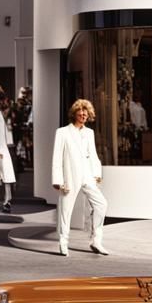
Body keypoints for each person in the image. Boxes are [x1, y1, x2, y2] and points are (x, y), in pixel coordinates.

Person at [52, 98, 108, 257]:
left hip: (87, 175)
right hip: (70, 176)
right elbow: (57, 158)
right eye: (81, 111)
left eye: (86, 111)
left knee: (102, 204)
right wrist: (58, 180)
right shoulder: (62, 132)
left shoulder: (89, 133)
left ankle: (96, 241)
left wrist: (97, 173)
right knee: (65, 209)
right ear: (74, 113)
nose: (83, 114)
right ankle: (63, 242)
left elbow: (93, 154)